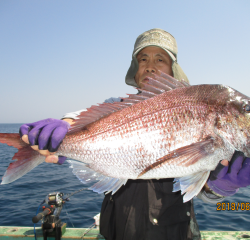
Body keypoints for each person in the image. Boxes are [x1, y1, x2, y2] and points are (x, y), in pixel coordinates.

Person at [19, 28, 250, 240]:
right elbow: (82, 119)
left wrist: (221, 186)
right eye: (143, 59)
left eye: (160, 59)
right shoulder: (117, 105)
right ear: (135, 69)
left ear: (173, 69)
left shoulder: (195, 106)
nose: (150, 66)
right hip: (117, 232)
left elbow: (200, 191)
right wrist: (62, 126)